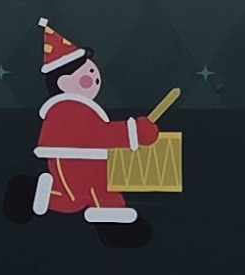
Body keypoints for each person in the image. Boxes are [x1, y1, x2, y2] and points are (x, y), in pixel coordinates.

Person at [28, 18, 155, 244]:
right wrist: (133, 131)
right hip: (71, 161)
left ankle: (113, 221)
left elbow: (97, 134)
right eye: (87, 75)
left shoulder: (84, 108)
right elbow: (96, 135)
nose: (95, 79)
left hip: (94, 161)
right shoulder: (67, 109)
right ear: (64, 82)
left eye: (94, 73)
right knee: (73, 199)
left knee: (104, 193)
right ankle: (45, 195)